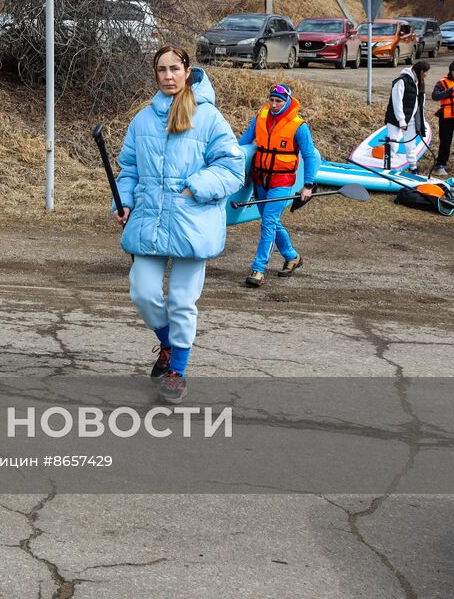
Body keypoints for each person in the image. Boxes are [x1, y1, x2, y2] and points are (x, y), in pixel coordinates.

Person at [116, 46, 244, 404]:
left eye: (175, 68)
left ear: (188, 71)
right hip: (149, 220)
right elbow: (129, 170)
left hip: (193, 222)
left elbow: (232, 169)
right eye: (161, 70)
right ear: (155, 74)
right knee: (142, 292)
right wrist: (124, 201)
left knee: (183, 301)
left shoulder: (209, 118)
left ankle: (176, 372)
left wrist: (194, 188)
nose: (168, 76)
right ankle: (169, 344)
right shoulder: (142, 120)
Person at [238, 84, 321, 288]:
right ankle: (292, 256)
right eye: (272, 100)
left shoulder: (299, 126)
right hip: (259, 181)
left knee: (267, 223)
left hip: (282, 181)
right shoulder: (260, 118)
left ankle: (258, 269)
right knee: (272, 221)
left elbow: (309, 156)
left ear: (288, 102)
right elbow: (243, 144)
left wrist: (308, 185)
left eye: (279, 101)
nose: (274, 105)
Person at [385, 60, 431, 170]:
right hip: (395, 118)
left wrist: (421, 121)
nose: (427, 75)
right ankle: (387, 167)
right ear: (420, 71)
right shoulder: (401, 81)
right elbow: (396, 102)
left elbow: (420, 105)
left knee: (411, 145)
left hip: (411, 119)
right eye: (426, 72)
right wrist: (401, 120)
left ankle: (413, 167)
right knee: (393, 144)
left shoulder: (419, 82)